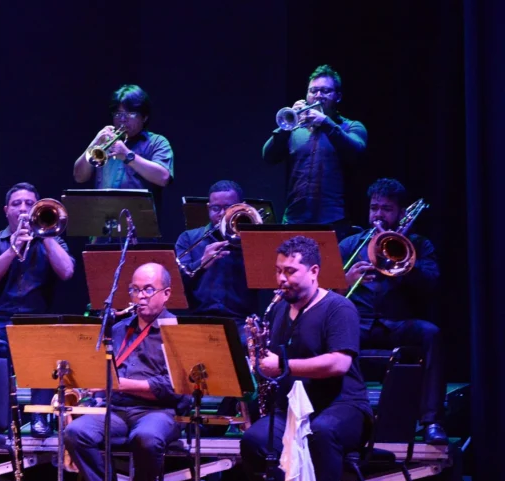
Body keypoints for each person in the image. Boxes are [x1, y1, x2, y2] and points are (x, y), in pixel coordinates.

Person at [240, 236, 370, 481]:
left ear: (313, 271)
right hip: (295, 407)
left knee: (321, 433)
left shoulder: (340, 308)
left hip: (343, 406)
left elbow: (339, 363)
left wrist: (283, 365)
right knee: (255, 441)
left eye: (290, 271)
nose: (282, 279)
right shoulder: (279, 311)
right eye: (278, 271)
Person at [63, 263, 182, 481]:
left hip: (158, 412)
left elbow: (173, 387)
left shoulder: (175, 330)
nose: (140, 296)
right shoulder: (118, 329)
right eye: (135, 290)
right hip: (116, 409)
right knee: (75, 433)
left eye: (148, 290)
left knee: (147, 439)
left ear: (166, 294)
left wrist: (121, 384)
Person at [339, 178, 446, 444]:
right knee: (325, 332)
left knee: (431, 334)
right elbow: (323, 291)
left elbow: (432, 283)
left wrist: (404, 267)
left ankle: (431, 421)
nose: (378, 214)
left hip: (398, 324)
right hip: (359, 324)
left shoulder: (419, 244)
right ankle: (331, 415)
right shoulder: (351, 245)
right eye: (374, 207)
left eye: (386, 209)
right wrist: (347, 280)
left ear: (400, 213)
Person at [0, 182, 74, 436]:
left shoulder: (53, 240)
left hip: (37, 321)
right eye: (17, 204)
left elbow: (67, 271)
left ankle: (40, 416)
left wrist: (46, 236)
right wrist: (12, 249)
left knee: (47, 345)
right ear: (6, 209)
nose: (23, 209)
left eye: (30, 204)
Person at [262, 65, 368, 239]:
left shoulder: (351, 127)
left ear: (338, 96)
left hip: (334, 221)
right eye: (313, 91)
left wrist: (326, 122)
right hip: (295, 220)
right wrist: (286, 127)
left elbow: (356, 151)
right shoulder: (295, 129)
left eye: (325, 91)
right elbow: (268, 156)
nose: (318, 95)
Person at [73, 84, 174, 217]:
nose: (122, 119)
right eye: (118, 113)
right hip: (102, 228)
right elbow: (79, 176)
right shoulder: (106, 142)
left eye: (130, 113)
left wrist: (127, 155)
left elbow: (163, 177)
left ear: (144, 117)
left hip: (139, 231)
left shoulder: (157, 143)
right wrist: (94, 143)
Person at [175, 180, 261, 325]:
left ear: (242, 206)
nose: (221, 214)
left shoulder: (253, 240)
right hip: (199, 319)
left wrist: (250, 241)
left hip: (242, 322)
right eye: (216, 208)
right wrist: (201, 263)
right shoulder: (189, 238)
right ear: (208, 208)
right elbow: (175, 283)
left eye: (228, 208)